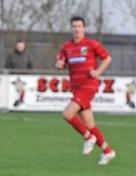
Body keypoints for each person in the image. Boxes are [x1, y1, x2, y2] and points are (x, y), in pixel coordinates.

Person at [56, 16, 116, 165]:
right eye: (74, 26)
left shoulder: (91, 44)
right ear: (71, 28)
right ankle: (108, 151)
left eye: (79, 26)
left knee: (67, 114)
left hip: (88, 85)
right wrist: (59, 63)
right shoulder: (66, 47)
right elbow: (61, 62)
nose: (76, 29)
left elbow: (107, 58)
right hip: (76, 88)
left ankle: (88, 137)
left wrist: (98, 71)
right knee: (89, 123)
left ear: (84, 28)